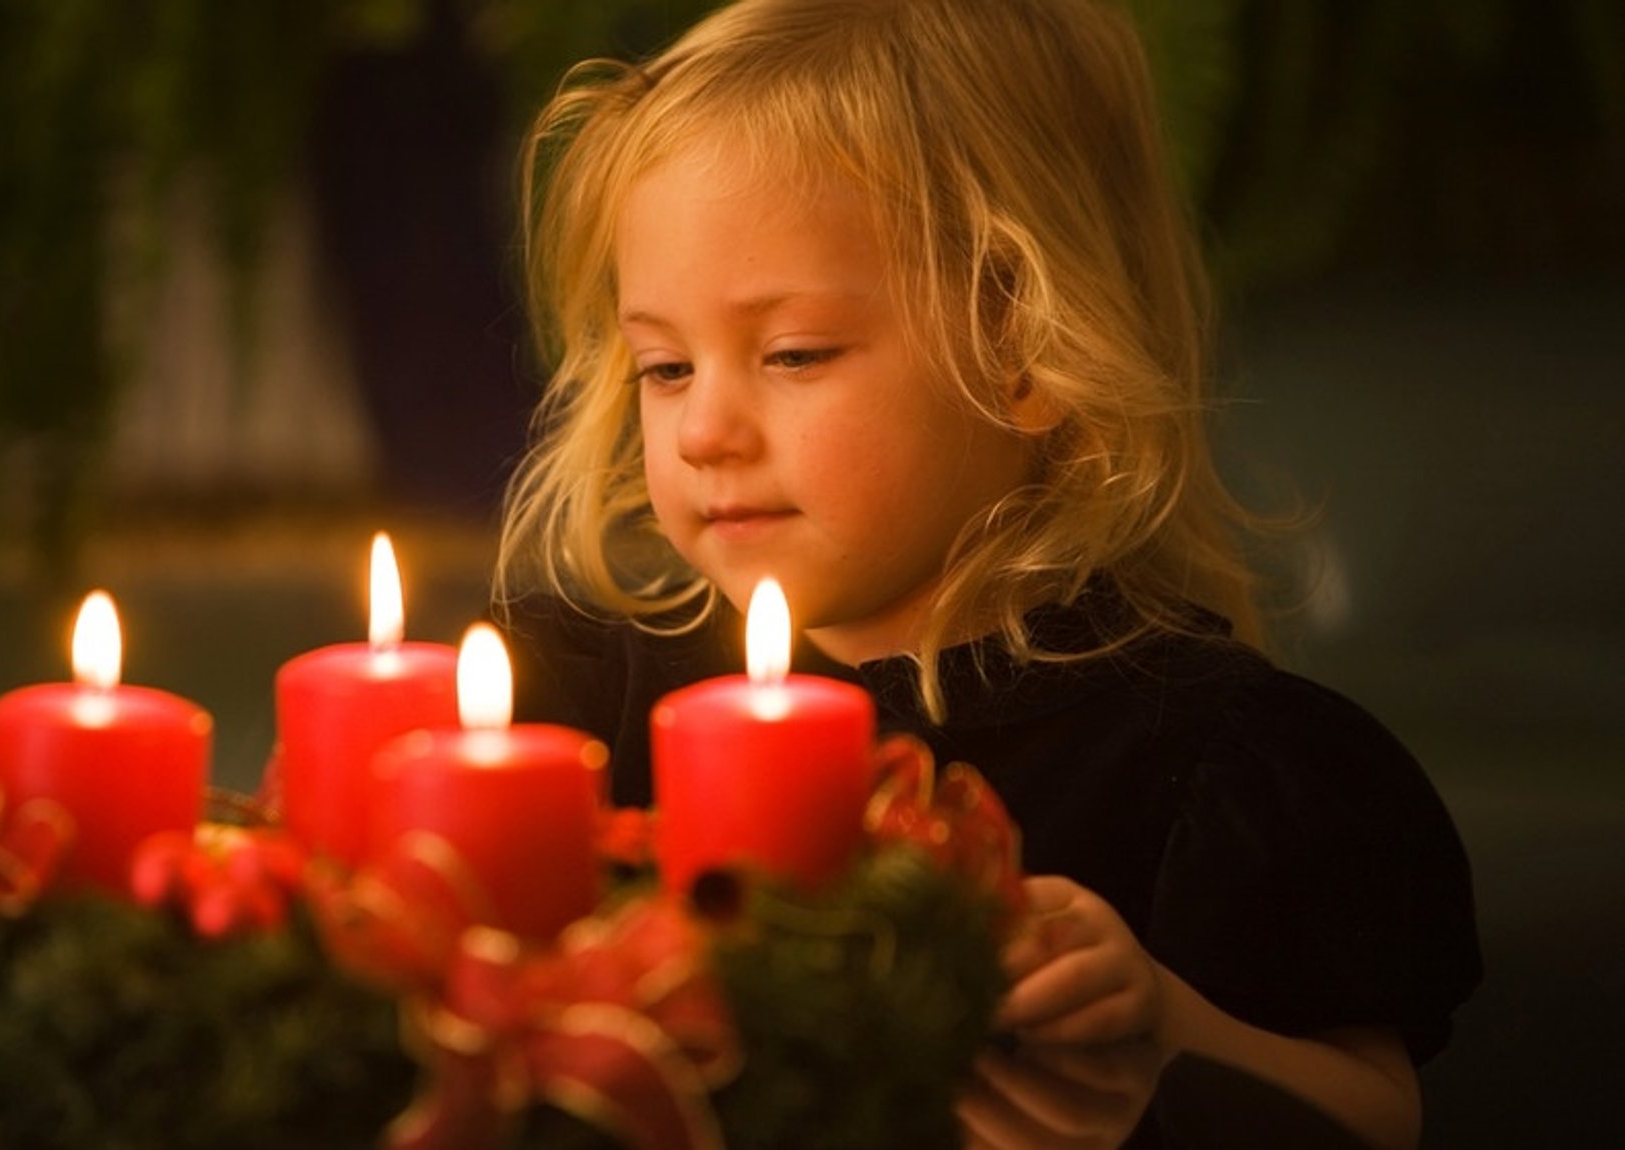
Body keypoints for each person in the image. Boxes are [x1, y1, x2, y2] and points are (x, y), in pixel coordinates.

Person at [487, 0, 1483, 1147]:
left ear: (1026, 350)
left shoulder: (1211, 765)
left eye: (793, 353)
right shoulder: (565, 720)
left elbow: (1375, 1116)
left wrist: (1167, 1029)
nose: (703, 428)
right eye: (662, 366)